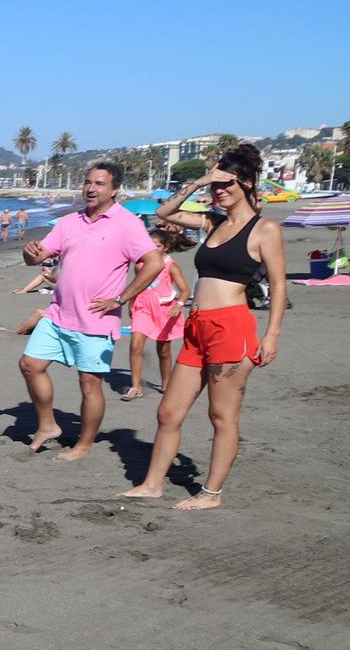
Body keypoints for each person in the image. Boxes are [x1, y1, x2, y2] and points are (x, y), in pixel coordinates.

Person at [119, 145, 287, 509]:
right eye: (217, 186)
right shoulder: (212, 222)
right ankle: (153, 484)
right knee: (168, 412)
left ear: (245, 184)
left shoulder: (265, 230)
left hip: (232, 328)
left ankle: (211, 493)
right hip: (197, 326)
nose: (219, 191)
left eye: (226, 184)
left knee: (221, 415)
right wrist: (200, 180)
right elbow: (165, 212)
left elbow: (278, 284)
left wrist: (271, 334)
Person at [16, 161, 166, 461]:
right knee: (30, 365)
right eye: (87, 182)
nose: (90, 188)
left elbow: (153, 263)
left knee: (89, 383)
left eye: (99, 183)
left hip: (96, 320)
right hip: (59, 314)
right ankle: (48, 425)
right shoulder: (70, 221)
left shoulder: (127, 223)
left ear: (114, 190)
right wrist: (30, 253)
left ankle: (83, 444)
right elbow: (37, 259)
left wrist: (121, 299)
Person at [120, 227, 191, 400]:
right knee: (136, 344)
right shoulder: (140, 264)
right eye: (150, 246)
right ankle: (136, 387)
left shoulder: (171, 266)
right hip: (143, 307)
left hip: (165, 310)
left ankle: (166, 384)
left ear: (165, 247)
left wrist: (179, 305)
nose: (153, 249)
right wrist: (131, 302)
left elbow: (184, 291)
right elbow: (137, 285)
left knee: (164, 350)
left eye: (157, 246)